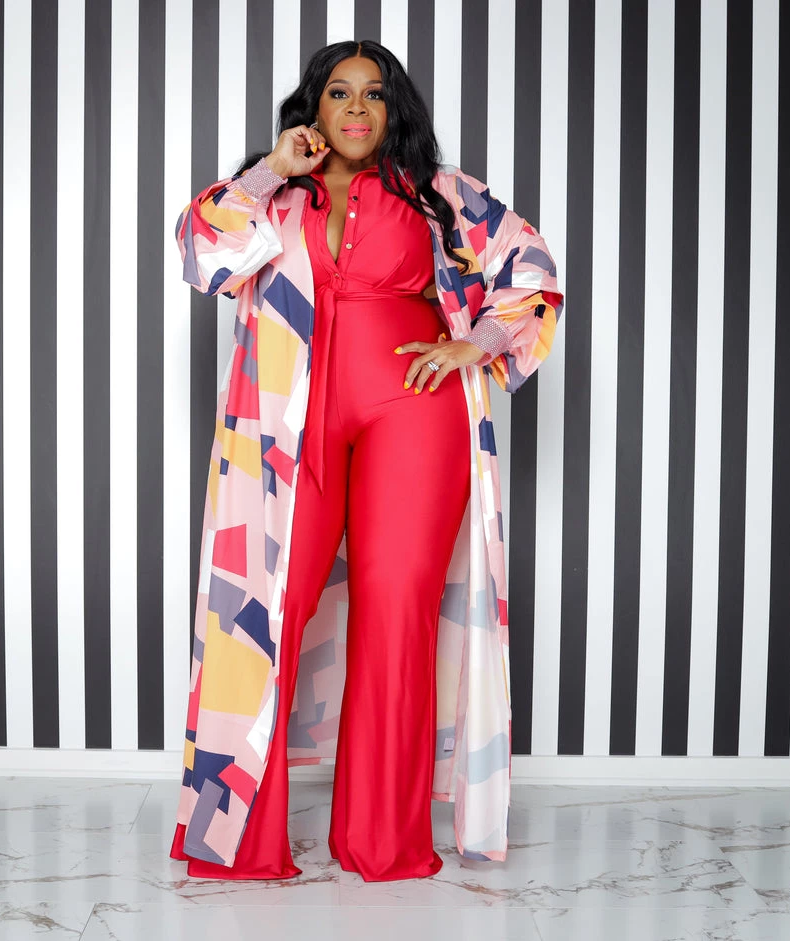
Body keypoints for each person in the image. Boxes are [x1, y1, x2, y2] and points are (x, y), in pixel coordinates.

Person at [169, 39, 563, 883]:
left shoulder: (438, 194)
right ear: (312, 107)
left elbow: (530, 267)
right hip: (288, 422)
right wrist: (270, 170)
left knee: (397, 613)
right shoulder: (275, 193)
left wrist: (477, 342)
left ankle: (384, 841)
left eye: (374, 94)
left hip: (413, 413)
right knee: (267, 606)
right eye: (339, 92)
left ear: (394, 110)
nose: (356, 108)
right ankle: (241, 841)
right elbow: (199, 252)